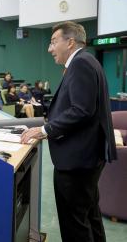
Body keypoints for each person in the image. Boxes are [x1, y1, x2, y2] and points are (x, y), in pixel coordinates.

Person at [21, 21, 117, 242]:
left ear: (70, 42)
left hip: (77, 160)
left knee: (74, 225)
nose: (49, 48)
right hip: (87, 158)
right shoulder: (88, 61)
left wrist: (44, 130)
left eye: (54, 41)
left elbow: (81, 110)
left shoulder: (81, 63)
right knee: (89, 217)